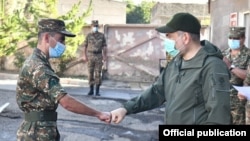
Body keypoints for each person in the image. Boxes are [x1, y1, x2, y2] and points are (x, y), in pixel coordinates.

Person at [110, 12, 231, 125]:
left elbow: (219, 115)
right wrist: (125, 108)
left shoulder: (212, 66)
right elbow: (157, 92)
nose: (169, 43)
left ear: (185, 38)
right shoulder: (176, 62)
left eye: (171, 37)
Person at [16, 19, 111, 141]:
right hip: (37, 132)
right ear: (46, 37)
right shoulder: (38, 67)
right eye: (61, 39)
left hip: (39, 128)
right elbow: (66, 102)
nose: (63, 45)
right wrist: (99, 114)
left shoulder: (38, 62)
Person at [222, 26, 250, 125]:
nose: (232, 40)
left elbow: (248, 75)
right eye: (230, 38)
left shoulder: (248, 55)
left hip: (240, 103)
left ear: (243, 38)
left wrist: (231, 67)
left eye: (236, 38)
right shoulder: (223, 53)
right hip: (223, 100)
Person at [83, 20, 107, 96]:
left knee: (98, 73)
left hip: (99, 56)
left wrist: (104, 56)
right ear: (91, 26)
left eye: (96, 26)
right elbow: (85, 46)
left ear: (98, 26)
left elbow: (104, 46)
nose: (95, 27)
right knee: (90, 73)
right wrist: (85, 56)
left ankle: (97, 91)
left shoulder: (102, 35)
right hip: (90, 55)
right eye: (94, 26)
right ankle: (91, 90)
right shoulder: (88, 35)